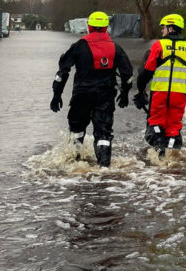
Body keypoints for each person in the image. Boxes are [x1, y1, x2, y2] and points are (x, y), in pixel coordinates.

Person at [50, 11, 133, 167]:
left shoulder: (78, 46)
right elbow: (127, 75)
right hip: (105, 97)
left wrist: (56, 96)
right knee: (104, 133)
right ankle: (104, 169)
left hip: (81, 96)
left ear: (89, 26)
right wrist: (125, 94)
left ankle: (74, 165)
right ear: (106, 27)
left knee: (77, 130)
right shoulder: (116, 48)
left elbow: (62, 73)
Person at [134, 14, 186, 158]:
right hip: (179, 94)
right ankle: (173, 155)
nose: (162, 31)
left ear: (170, 28)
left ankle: (159, 152)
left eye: (163, 28)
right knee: (173, 127)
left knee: (156, 123)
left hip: (159, 92)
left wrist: (141, 90)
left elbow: (146, 71)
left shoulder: (158, 45)